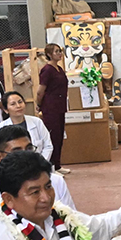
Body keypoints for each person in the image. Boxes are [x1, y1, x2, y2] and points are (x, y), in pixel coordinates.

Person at [0, 125, 75, 228]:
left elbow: (72, 221)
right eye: (17, 152)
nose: (25, 156)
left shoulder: (56, 181)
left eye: (29, 149)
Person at [37, 44, 69, 172]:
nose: (59, 54)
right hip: (50, 107)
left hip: (60, 106)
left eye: (60, 51)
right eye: (56, 52)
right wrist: (38, 104)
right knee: (52, 136)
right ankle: (50, 167)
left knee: (59, 135)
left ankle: (57, 165)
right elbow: (40, 91)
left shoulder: (59, 69)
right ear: (49, 54)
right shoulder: (47, 70)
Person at [0, 90, 54, 162]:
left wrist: (40, 164)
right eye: (13, 104)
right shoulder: (0, 128)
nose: (18, 106)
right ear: (6, 110)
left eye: (20, 102)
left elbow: (48, 146)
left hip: (38, 165)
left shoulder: (37, 122)